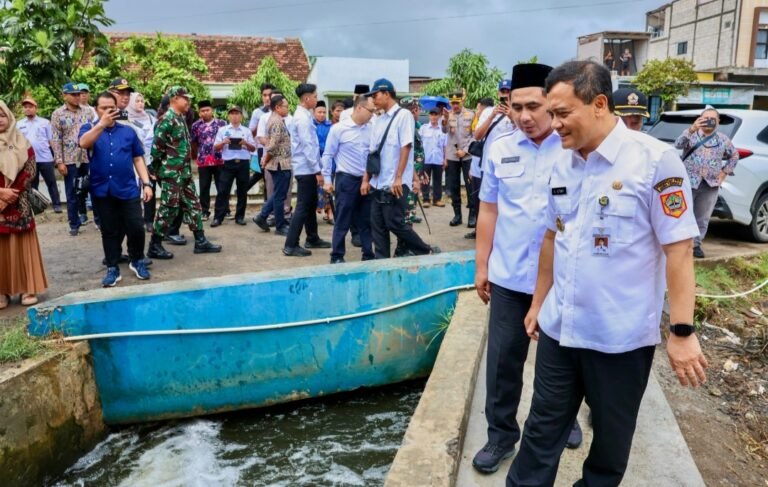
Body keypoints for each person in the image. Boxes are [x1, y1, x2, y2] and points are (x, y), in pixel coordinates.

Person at [507, 60, 707, 487]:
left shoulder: (655, 162)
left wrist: (683, 331)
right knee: (540, 435)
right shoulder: (562, 162)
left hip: (619, 340)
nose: (552, 124)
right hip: (561, 330)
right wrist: (539, 301)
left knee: (609, 450)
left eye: (562, 114)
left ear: (599, 103)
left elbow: (678, 249)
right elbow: (550, 238)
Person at [472, 63, 582, 476]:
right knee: (503, 362)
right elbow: (488, 209)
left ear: (552, 104)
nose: (524, 116)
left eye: (533, 106)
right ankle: (501, 435)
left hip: (561, 280)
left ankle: (564, 419)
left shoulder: (574, 148)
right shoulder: (500, 147)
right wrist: (482, 265)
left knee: (562, 363)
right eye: (515, 106)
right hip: (509, 276)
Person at [79, 92, 153, 287]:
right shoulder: (89, 129)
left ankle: (137, 260)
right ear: (96, 109)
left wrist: (146, 183)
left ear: (117, 109)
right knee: (109, 231)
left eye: (111, 108)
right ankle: (112, 267)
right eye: (103, 108)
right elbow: (83, 143)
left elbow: (138, 158)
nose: (107, 112)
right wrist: (101, 124)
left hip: (128, 189)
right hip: (102, 190)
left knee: (136, 226)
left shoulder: (128, 131)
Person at [364, 79, 439, 258]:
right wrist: (366, 179)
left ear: (386, 94)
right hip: (377, 183)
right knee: (378, 227)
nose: (373, 99)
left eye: (375, 95)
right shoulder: (378, 120)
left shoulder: (403, 116)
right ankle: (382, 263)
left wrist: (400, 177)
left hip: (395, 184)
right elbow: (372, 153)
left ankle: (425, 250)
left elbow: (406, 147)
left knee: (396, 224)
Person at [148, 86, 221, 259]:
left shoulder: (180, 118)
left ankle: (201, 241)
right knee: (168, 208)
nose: (188, 102)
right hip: (172, 174)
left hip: (184, 173)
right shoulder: (166, 120)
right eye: (185, 98)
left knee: (194, 205)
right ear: (174, 99)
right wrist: (159, 171)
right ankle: (155, 245)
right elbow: (156, 149)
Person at [0, 101, 49, 309]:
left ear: (9, 117)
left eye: (1, 115)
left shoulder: (23, 142)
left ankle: (28, 288)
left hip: (19, 203)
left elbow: (29, 171)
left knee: (23, 245)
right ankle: (2, 292)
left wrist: (12, 193)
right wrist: (1, 193)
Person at [675, 106, 739, 258]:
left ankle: (696, 245)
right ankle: (678, 244)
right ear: (699, 119)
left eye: (713, 119)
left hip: (710, 185)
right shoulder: (690, 135)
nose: (709, 122)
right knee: (682, 213)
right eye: (706, 119)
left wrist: (724, 173)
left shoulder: (723, 139)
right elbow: (677, 145)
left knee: (702, 217)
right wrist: (691, 129)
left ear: (718, 122)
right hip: (688, 182)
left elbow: (734, 156)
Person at [322, 95, 376, 263]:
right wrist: (327, 180)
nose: (372, 115)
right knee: (343, 219)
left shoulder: (371, 129)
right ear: (359, 108)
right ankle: (337, 255)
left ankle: (368, 254)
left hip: (366, 180)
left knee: (366, 220)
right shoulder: (339, 129)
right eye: (370, 111)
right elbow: (328, 155)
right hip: (346, 180)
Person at [282, 84, 331, 257]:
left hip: (307, 167)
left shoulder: (304, 115)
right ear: (307, 98)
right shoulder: (302, 118)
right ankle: (290, 244)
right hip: (306, 168)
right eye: (315, 96)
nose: (317, 99)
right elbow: (308, 146)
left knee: (309, 204)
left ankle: (312, 237)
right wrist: (317, 170)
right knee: (303, 206)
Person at [472, 80, 517, 230]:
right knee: (486, 202)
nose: (505, 95)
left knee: (506, 203)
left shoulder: (518, 112)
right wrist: (492, 116)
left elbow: (523, 134)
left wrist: (512, 116)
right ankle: (484, 232)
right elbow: (477, 136)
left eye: (507, 92)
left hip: (510, 167)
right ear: (498, 93)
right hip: (488, 165)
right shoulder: (487, 112)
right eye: (502, 91)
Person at [51, 82, 92, 236]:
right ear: (65, 95)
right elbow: (56, 139)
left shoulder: (87, 112)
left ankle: (98, 219)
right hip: (69, 159)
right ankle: (74, 223)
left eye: (78, 94)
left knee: (92, 187)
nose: (77, 97)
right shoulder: (58, 114)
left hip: (87, 157)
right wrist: (59, 161)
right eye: (73, 94)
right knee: (72, 191)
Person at [253, 94, 293, 236]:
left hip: (279, 163)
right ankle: (280, 225)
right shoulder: (276, 121)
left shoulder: (275, 119)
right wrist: (266, 158)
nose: (288, 109)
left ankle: (262, 216)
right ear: (277, 107)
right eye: (286, 106)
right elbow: (273, 145)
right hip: (279, 164)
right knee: (279, 196)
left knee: (278, 193)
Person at [211, 105, 256, 227]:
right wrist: (224, 142)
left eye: (237, 113)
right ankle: (218, 217)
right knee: (223, 191)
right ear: (228, 116)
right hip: (228, 164)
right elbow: (215, 147)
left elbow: (253, 148)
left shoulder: (246, 131)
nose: (234, 116)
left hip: (243, 163)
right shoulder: (223, 130)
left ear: (241, 116)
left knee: (242, 191)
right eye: (232, 113)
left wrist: (245, 143)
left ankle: (240, 216)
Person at [17, 96, 62, 213]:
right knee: (32, 184)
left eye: (30, 107)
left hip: (45, 158)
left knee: (51, 182)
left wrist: (57, 156)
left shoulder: (45, 122)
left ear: (35, 108)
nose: (27, 109)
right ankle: (36, 207)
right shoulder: (19, 124)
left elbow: (51, 140)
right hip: (29, 159)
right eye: (25, 107)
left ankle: (57, 205)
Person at [190, 100, 226, 222]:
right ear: (199, 113)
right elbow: (193, 142)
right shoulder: (196, 126)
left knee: (221, 186)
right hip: (203, 161)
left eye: (207, 110)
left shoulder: (221, 123)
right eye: (202, 111)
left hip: (219, 159)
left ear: (212, 111)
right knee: (204, 187)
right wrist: (196, 155)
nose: (205, 113)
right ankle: (204, 211)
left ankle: (223, 210)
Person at [442, 91, 474, 227]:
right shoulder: (448, 115)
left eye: (457, 102)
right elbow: (444, 131)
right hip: (452, 155)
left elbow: (475, 135)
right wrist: (444, 120)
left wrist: (465, 150)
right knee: (453, 186)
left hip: (467, 155)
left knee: (470, 186)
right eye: (452, 103)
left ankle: (472, 216)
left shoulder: (471, 115)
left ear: (462, 101)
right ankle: (457, 215)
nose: (454, 105)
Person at [127, 92, 158, 229]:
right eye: (137, 101)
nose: (140, 103)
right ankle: (135, 219)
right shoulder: (126, 119)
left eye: (142, 101)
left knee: (150, 187)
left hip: (152, 159)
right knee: (137, 189)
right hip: (135, 159)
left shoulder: (151, 118)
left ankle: (149, 220)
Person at [248, 83, 275, 192]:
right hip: (261, 149)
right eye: (264, 95)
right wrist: (260, 123)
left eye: (269, 95)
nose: (267, 98)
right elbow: (251, 133)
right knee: (265, 176)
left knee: (272, 178)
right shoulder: (257, 112)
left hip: (276, 148)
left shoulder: (278, 110)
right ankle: (268, 204)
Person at [419, 106, 447, 208]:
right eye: (432, 114)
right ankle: (426, 199)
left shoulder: (443, 130)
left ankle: (437, 199)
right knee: (425, 179)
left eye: (436, 115)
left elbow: (445, 146)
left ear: (439, 116)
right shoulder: (423, 128)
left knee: (438, 180)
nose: (434, 117)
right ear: (429, 116)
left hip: (438, 159)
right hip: (426, 158)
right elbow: (419, 144)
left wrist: (445, 159)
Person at [314, 100, 334, 223]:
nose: (321, 114)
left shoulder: (330, 125)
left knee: (328, 186)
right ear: (314, 112)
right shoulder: (311, 125)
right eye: (319, 112)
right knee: (314, 188)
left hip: (328, 160)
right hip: (315, 160)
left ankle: (330, 212)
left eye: (324, 112)